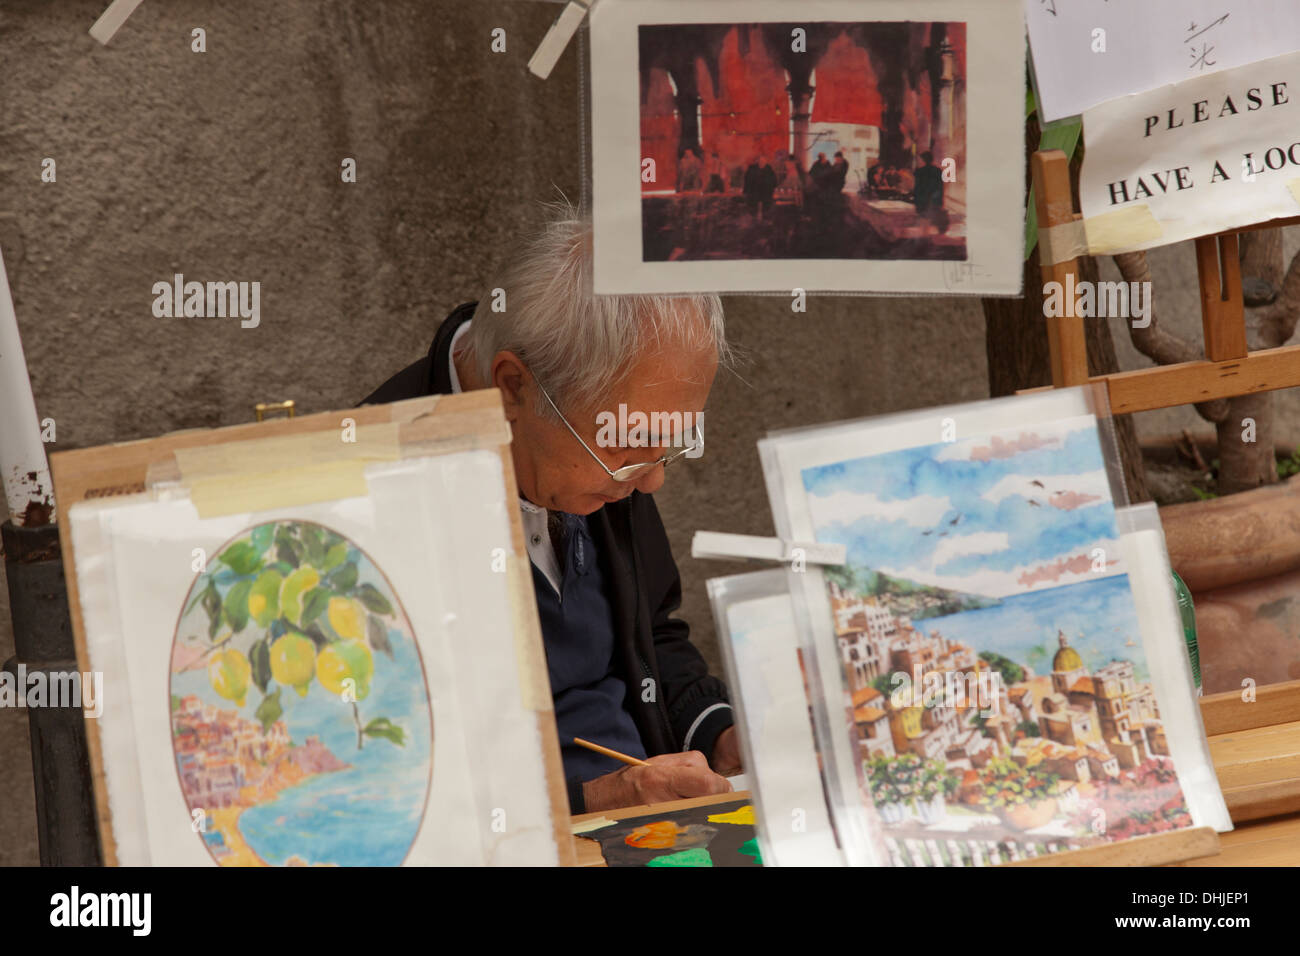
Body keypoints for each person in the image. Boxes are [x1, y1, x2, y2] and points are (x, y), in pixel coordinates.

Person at [361, 204, 742, 814]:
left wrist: (718, 730)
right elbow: (381, 784)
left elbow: (654, 633)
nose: (653, 480)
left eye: (675, 441)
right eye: (628, 450)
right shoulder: (371, 497)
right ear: (514, 386)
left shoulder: (602, 445)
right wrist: (589, 799)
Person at [742, 154, 778, 219]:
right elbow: (747, 180)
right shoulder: (752, 169)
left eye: (763, 161)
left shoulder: (769, 169)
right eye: (760, 160)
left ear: (766, 161)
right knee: (752, 208)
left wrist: (772, 189)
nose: (762, 162)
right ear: (758, 161)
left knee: (766, 208)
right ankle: (754, 218)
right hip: (754, 192)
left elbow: (774, 182)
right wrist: (746, 191)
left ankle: (765, 218)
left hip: (766, 192)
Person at [913, 150, 945, 219]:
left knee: (924, 221)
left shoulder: (919, 171)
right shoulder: (938, 170)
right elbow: (940, 187)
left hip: (923, 200)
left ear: (924, 160)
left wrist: (916, 201)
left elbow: (917, 187)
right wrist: (940, 201)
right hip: (934, 200)